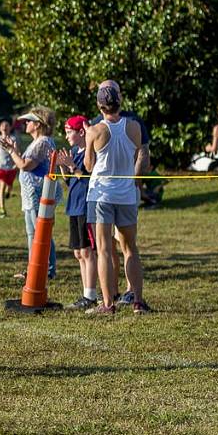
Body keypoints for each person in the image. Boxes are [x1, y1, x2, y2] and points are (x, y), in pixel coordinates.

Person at [85, 83, 148, 315]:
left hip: (102, 195)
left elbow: (89, 165)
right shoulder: (134, 127)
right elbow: (135, 154)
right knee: (130, 249)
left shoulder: (94, 130)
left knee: (103, 250)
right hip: (126, 194)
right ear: (119, 102)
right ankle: (137, 302)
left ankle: (108, 304)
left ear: (100, 105)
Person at [0, 106, 59, 280]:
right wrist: (15, 150)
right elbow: (26, 162)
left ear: (38, 124)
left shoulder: (43, 142)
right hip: (31, 194)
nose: (25, 123)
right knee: (32, 233)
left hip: (38, 194)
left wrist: (11, 152)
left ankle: (47, 270)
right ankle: (34, 268)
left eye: (29, 121)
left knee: (41, 232)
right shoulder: (38, 141)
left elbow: (26, 165)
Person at [56, 115, 98, 310]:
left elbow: (87, 179)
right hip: (73, 205)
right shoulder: (73, 151)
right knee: (78, 253)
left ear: (81, 132)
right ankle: (86, 293)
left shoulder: (89, 153)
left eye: (69, 132)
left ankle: (91, 295)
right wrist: (63, 166)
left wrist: (72, 165)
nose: (67, 137)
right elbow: (70, 181)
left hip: (85, 206)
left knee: (87, 251)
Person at [0, 117, 18, 217]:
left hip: (11, 167)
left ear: (10, 128)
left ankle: (8, 192)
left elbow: (17, 151)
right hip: (1, 166)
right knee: (2, 187)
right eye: (2, 125)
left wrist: (17, 162)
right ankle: (2, 209)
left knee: (10, 186)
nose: (4, 127)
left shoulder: (13, 139)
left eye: (7, 125)